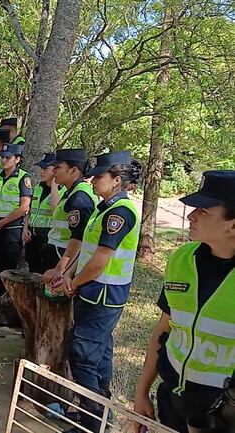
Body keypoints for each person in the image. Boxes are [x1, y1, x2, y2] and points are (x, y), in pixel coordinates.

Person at [133, 170, 235, 433]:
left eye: (203, 210)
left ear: (232, 224)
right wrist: (142, 392)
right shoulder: (182, 259)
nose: (191, 216)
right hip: (171, 399)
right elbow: (164, 327)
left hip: (221, 416)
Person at [57, 151, 142, 433]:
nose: (92, 181)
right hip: (93, 291)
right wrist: (68, 275)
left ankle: (91, 422)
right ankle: (101, 416)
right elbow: (85, 249)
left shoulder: (119, 212)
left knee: (82, 355)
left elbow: (101, 259)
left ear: (117, 180)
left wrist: (75, 282)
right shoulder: (103, 207)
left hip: (103, 295)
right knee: (100, 354)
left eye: (99, 177)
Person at [0, 143, 32, 309]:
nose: (4, 160)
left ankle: (7, 301)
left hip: (11, 227)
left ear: (17, 159)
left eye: (8, 158)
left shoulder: (23, 178)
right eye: (2, 157)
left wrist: (2, 222)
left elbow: (24, 206)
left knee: (9, 264)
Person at [43, 149, 98, 289]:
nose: (54, 171)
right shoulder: (72, 191)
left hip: (66, 256)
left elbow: (78, 238)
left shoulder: (79, 197)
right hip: (61, 253)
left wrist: (61, 268)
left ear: (73, 170)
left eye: (58, 167)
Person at [22, 152, 63, 274]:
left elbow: (55, 210)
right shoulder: (38, 187)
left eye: (45, 168)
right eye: (41, 168)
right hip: (32, 236)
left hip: (48, 237)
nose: (41, 171)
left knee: (47, 272)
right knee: (33, 270)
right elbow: (30, 211)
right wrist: (25, 228)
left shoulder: (63, 189)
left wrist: (55, 185)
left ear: (55, 170)